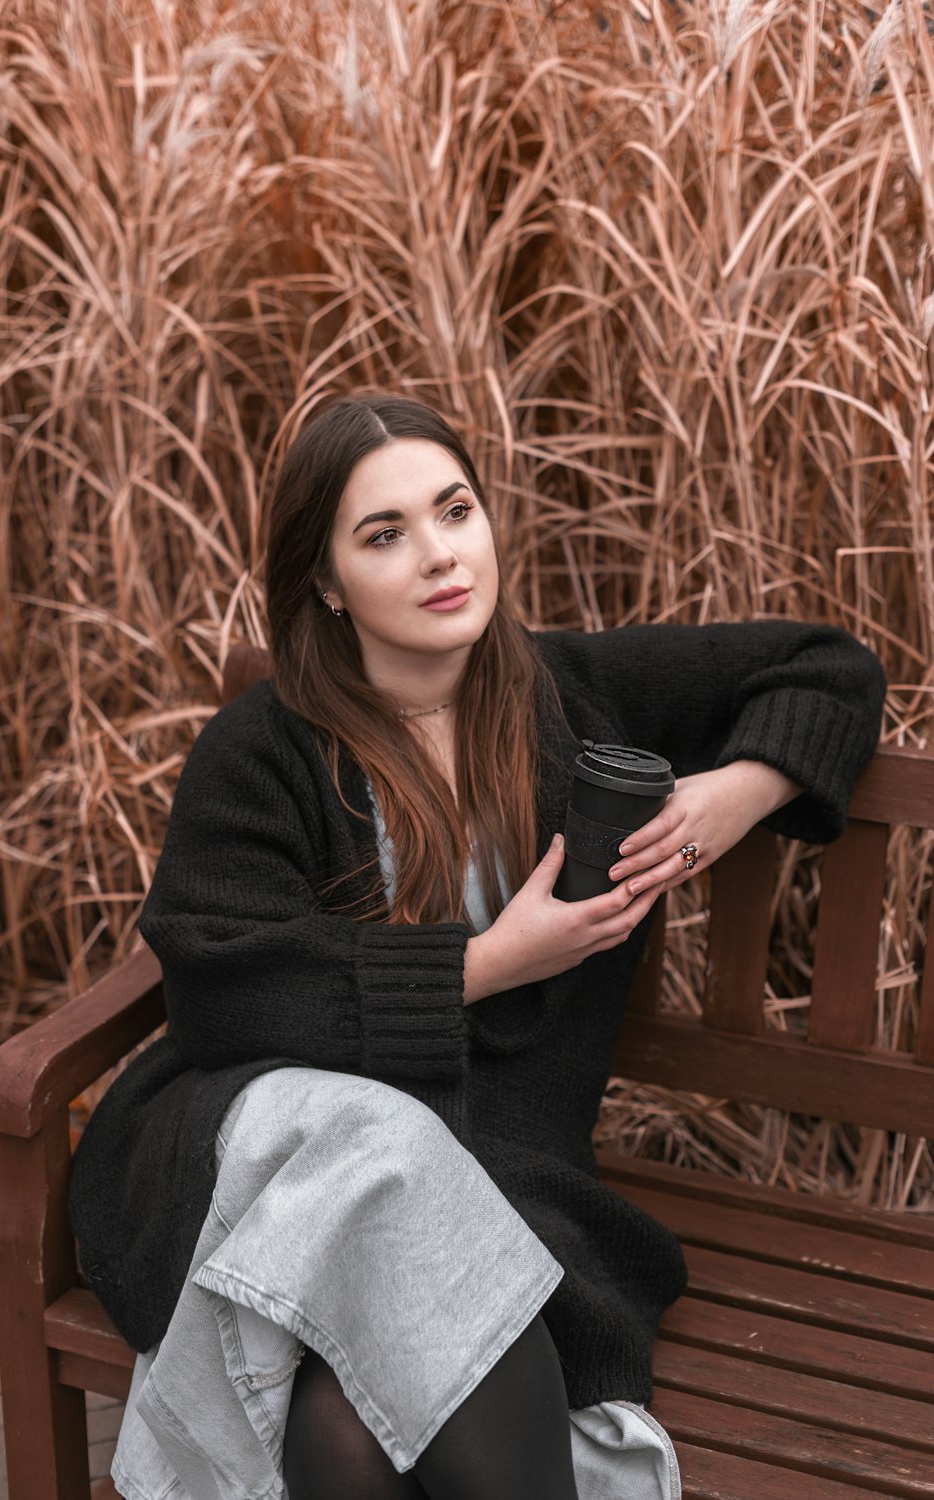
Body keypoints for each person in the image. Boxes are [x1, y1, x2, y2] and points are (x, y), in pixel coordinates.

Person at [69, 393, 886, 1500]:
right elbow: (223, 990)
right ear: (323, 581)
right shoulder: (265, 748)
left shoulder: (576, 700)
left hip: (504, 1175)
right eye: (383, 533)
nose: (439, 555)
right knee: (382, 1166)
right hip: (271, 1170)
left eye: (453, 510)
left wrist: (733, 798)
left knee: (347, 1429)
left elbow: (828, 668)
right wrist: (488, 964)